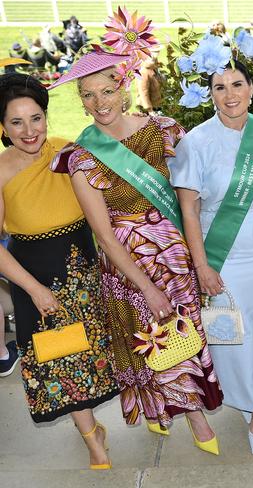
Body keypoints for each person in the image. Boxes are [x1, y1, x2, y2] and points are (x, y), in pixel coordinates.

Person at [49, 17, 222, 455]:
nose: (98, 101)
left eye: (106, 90)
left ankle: (161, 410)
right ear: (81, 102)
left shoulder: (160, 130)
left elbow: (192, 187)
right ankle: (195, 418)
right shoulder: (81, 156)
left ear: (123, 85)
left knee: (182, 330)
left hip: (173, 250)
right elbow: (103, 236)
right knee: (152, 331)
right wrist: (146, 285)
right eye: (87, 95)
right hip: (128, 261)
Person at [169, 55, 253, 454]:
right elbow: (188, 207)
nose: (230, 94)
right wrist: (201, 264)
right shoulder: (196, 142)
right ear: (210, 95)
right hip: (221, 255)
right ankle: (246, 396)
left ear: (252, 89)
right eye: (219, 87)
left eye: (237, 84)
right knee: (232, 335)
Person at [0, 72, 119, 468]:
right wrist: (34, 290)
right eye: (16, 122)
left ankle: (94, 430)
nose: (28, 130)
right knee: (60, 361)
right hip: (36, 281)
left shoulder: (68, 151)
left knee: (91, 358)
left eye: (35, 118)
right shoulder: (0, 172)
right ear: (3, 126)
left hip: (83, 270)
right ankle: (91, 440)